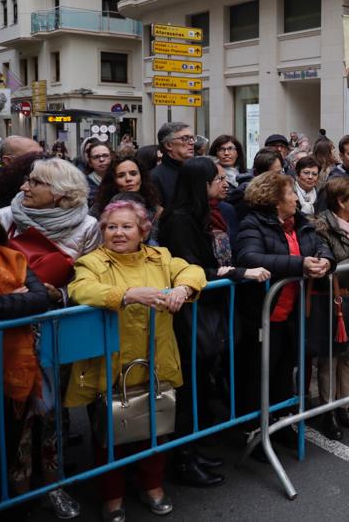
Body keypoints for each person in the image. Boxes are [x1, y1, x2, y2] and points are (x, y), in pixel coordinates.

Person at [66, 199, 207, 522]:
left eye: (127, 226)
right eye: (111, 227)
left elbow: (193, 270)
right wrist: (127, 295)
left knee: (155, 430)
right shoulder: (91, 262)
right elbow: (81, 290)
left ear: (143, 231)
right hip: (109, 363)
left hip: (155, 358)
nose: (118, 233)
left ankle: (152, 486)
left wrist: (183, 289)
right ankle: (112, 497)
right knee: (107, 435)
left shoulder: (161, 257)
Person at [157, 157, 270, 488]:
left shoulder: (209, 214)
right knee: (188, 389)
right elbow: (190, 269)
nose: (225, 183)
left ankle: (194, 451)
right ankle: (184, 459)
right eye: (218, 179)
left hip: (210, 310)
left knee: (200, 387)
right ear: (200, 184)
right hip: (190, 314)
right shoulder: (179, 220)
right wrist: (235, 273)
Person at [0, 206, 78, 518]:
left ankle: (4, 502)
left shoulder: (13, 258)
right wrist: (12, 303)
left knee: (3, 444)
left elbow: (37, 298)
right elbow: (23, 301)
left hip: (12, 370)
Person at [234, 172, 333, 423]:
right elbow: (249, 257)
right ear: (276, 200)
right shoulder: (253, 224)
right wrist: (300, 264)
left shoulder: (299, 221)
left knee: (284, 371)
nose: (296, 200)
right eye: (290, 194)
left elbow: (319, 245)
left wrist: (326, 262)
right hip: (264, 315)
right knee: (258, 376)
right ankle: (254, 430)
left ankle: (281, 423)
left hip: (293, 312)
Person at [309, 176, 349, 441]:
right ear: (341, 201)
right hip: (334, 299)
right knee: (330, 359)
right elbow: (326, 264)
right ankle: (328, 411)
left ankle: (344, 406)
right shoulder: (320, 226)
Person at [91, 156, 162, 227]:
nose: (128, 179)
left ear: (141, 177)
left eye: (133, 174)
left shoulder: (155, 209)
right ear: (113, 180)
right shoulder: (99, 208)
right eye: (121, 176)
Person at [151, 122, 196, 209]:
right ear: (168, 145)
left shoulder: (196, 170)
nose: (192, 142)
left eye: (192, 138)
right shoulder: (155, 177)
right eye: (185, 138)